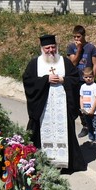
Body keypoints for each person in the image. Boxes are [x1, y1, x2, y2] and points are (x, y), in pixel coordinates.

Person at [22, 34, 84, 172]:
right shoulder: (35, 63)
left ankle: (65, 165)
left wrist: (63, 80)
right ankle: (40, 163)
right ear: (42, 48)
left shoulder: (64, 62)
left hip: (62, 108)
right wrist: (45, 80)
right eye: (47, 48)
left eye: (53, 47)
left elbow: (75, 79)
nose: (50, 50)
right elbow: (28, 81)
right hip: (43, 108)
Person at [78, 66, 96, 144]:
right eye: (86, 77)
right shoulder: (82, 86)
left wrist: (92, 109)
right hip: (86, 110)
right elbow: (81, 97)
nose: (88, 78)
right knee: (89, 125)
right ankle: (91, 138)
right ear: (83, 77)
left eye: (90, 77)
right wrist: (82, 108)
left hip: (94, 111)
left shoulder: (95, 86)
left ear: (93, 76)